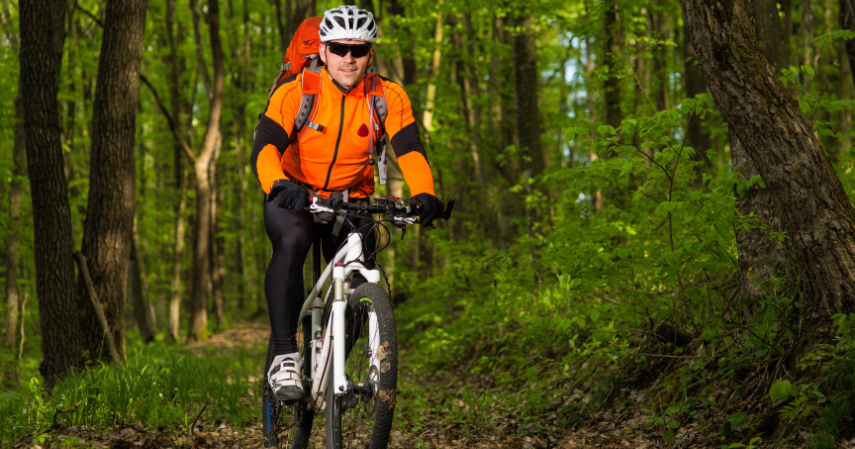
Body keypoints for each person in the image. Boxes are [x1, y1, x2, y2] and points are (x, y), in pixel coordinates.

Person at [251, 5, 444, 403]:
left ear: (371, 55)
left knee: (362, 278)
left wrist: (425, 193)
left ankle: (330, 364)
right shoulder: (297, 92)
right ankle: (285, 354)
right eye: (339, 48)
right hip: (295, 194)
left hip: (351, 198)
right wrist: (278, 183)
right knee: (291, 244)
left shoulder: (386, 97)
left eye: (359, 49)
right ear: (323, 51)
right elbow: (265, 147)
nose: (348, 58)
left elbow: (409, 149)